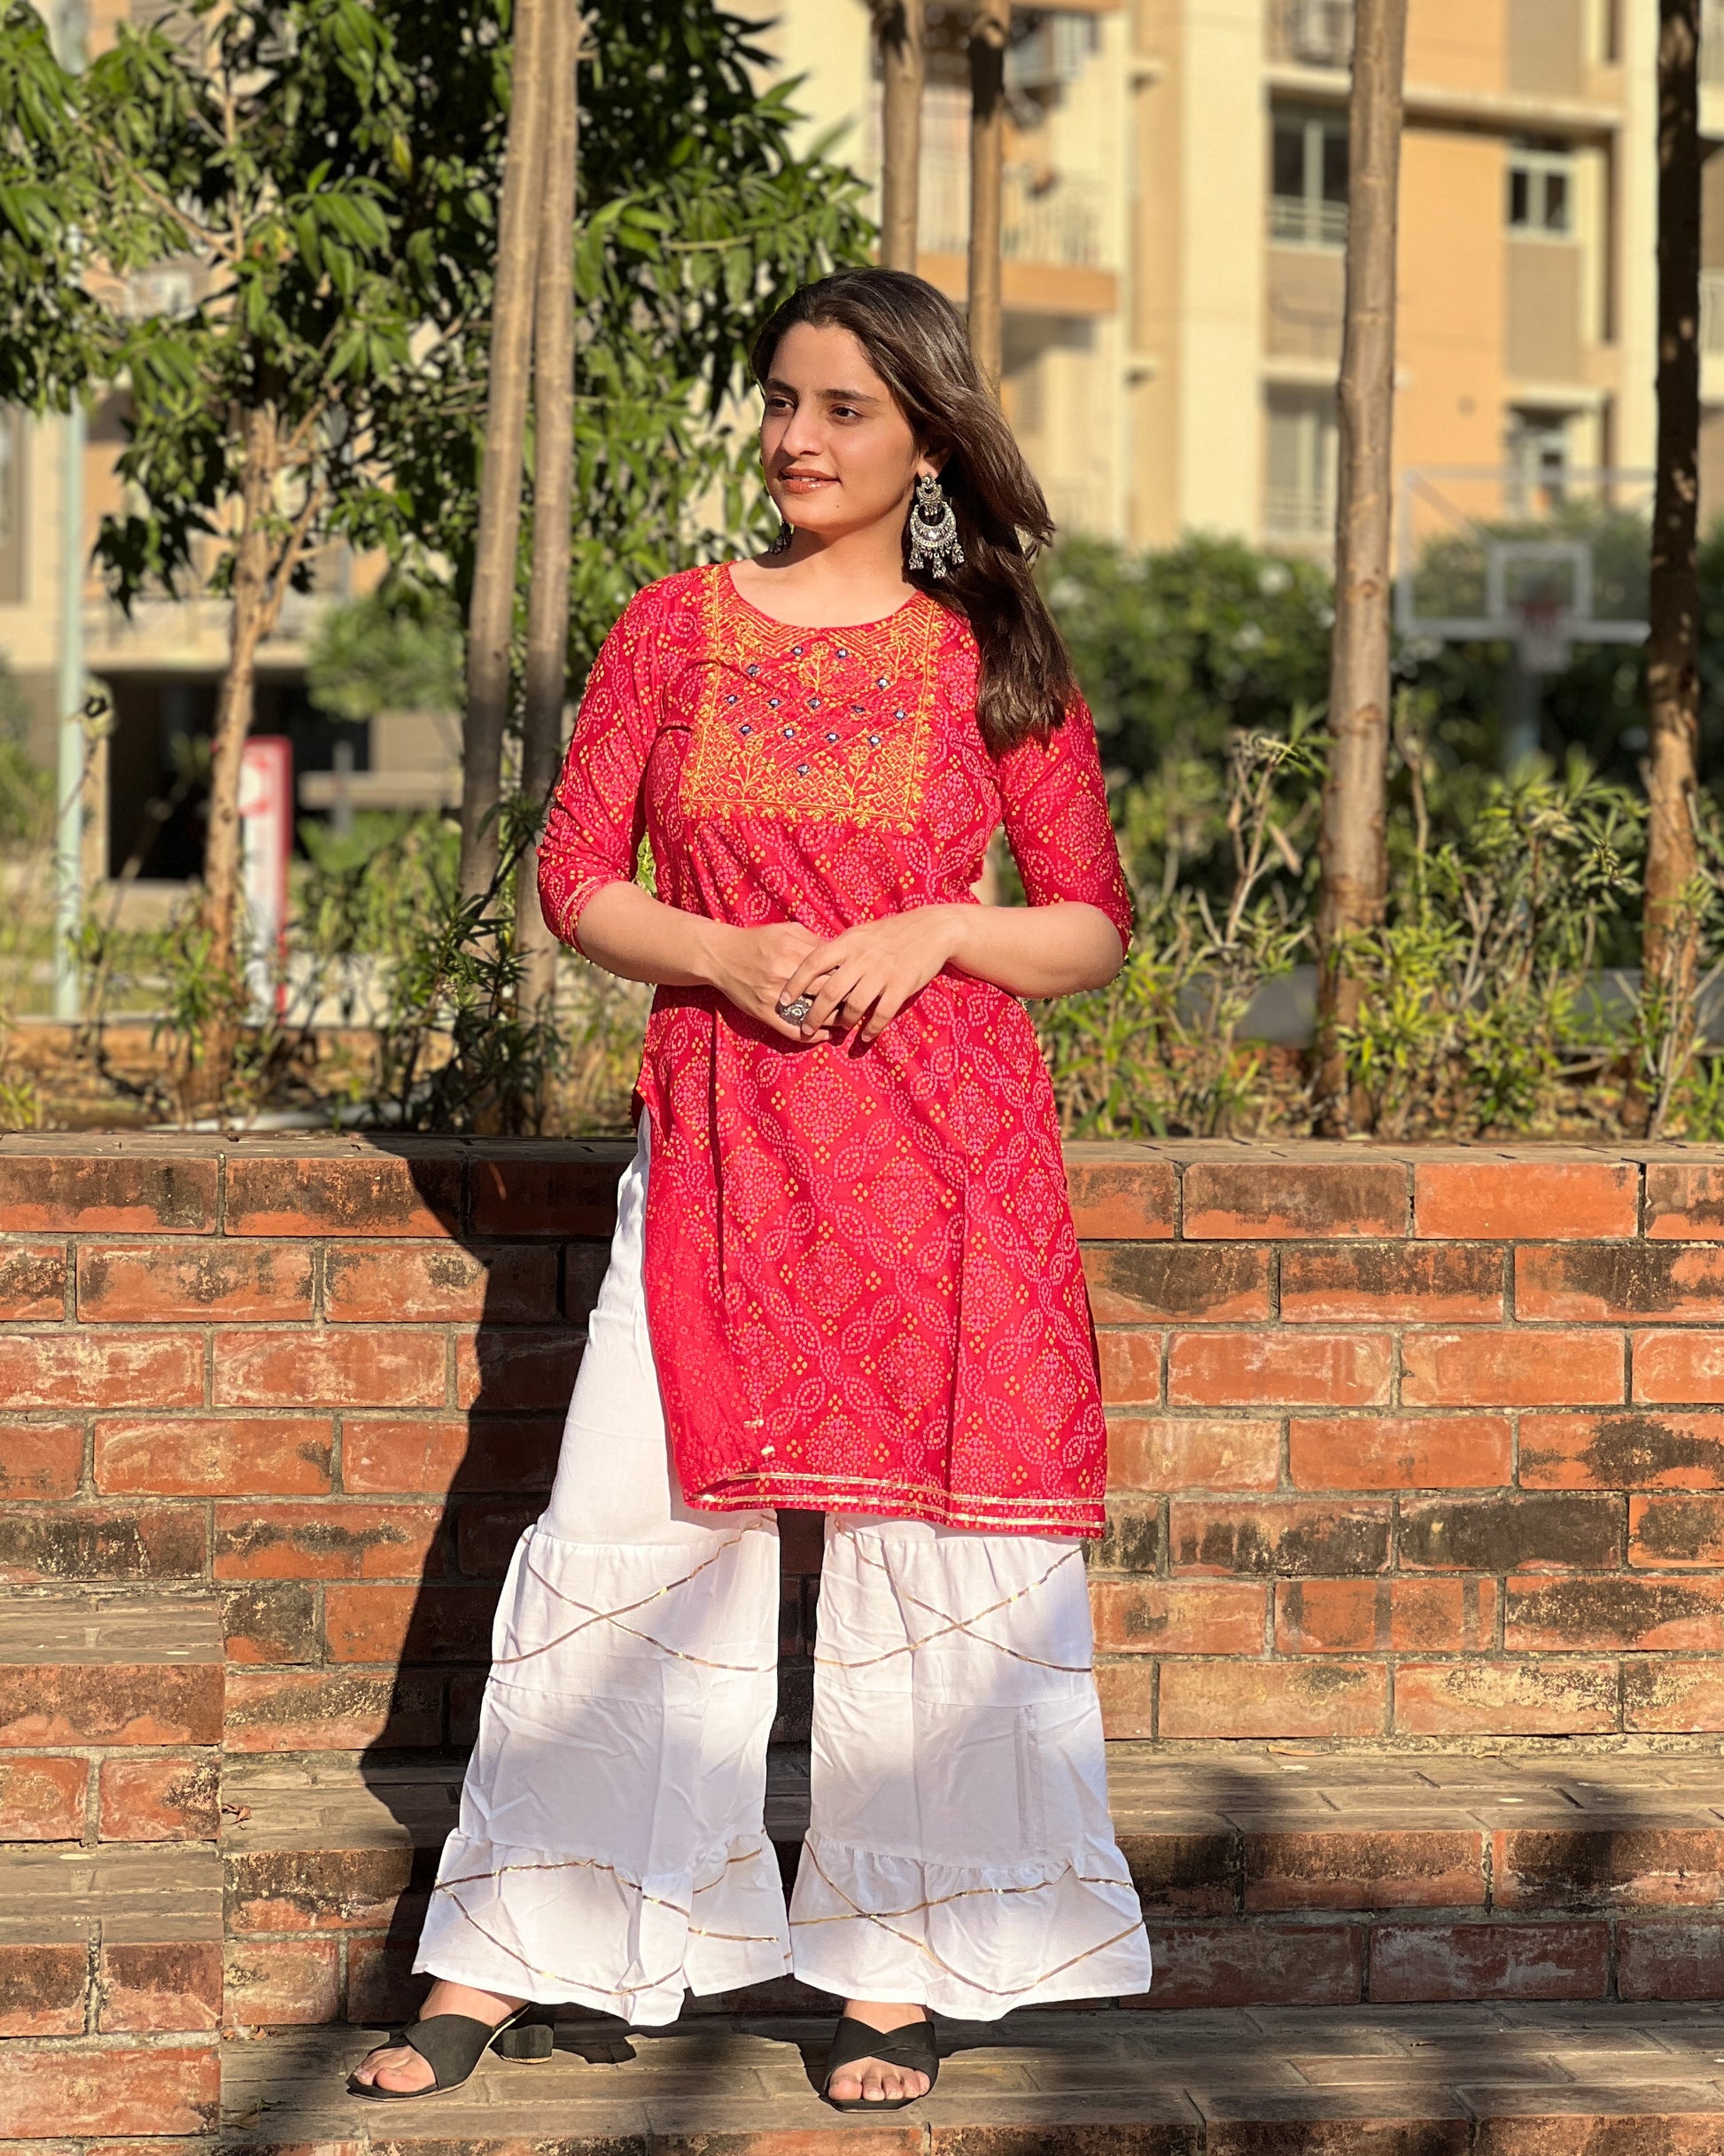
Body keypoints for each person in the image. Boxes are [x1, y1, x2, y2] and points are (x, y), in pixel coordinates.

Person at [346, 266, 1152, 2114]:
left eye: (842, 408)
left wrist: (941, 924)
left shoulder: (989, 655)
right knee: (629, 1517)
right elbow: (576, 877)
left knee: (933, 1555)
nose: (795, 437)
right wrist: (721, 949)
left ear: (927, 440)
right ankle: (511, 1943)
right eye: (781, 399)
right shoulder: (677, 627)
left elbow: (1091, 924)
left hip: (946, 1163)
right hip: (724, 1143)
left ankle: (901, 1967)